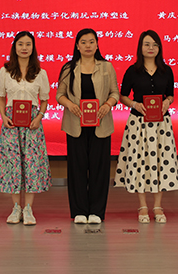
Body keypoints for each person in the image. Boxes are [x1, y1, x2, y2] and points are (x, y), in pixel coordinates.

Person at [114, 30, 178, 224]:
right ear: (140, 47)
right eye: (147, 44)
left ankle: (158, 206)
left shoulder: (166, 70)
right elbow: (123, 95)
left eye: (155, 45)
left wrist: (168, 101)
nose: (151, 48)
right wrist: (134, 104)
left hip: (161, 124)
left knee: (160, 162)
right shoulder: (132, 71)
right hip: (138, 124)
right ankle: (142, 205)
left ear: (159, 48)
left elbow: (171, 94)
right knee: (139, 163)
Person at [57, 28, 119, 224]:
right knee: (77, 168)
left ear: (97, 44)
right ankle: (79, 211)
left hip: (101, 124)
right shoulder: (69, 68)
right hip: (75, 125)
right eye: (83, 42)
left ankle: (97, 212)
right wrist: (70, 105)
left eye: (91, 42)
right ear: (77, 45)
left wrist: (107, 105)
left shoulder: (106, 67)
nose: (88, 45)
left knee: (99, 169)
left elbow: (115, 93)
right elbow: (59, 95)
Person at [0, 31, 52, 226]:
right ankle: (15, 208)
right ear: (15, 47)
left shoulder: (40, 73)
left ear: (33, 47)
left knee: (31, 164)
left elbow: (44, 100)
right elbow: (1, 97)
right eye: (20, 44)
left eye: (28, 44)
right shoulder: (5, 71)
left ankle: (28, 208)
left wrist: (39, 117)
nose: (24, 48)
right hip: (11, 123)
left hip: (32, 124)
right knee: (12, 163)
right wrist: (3, 116)